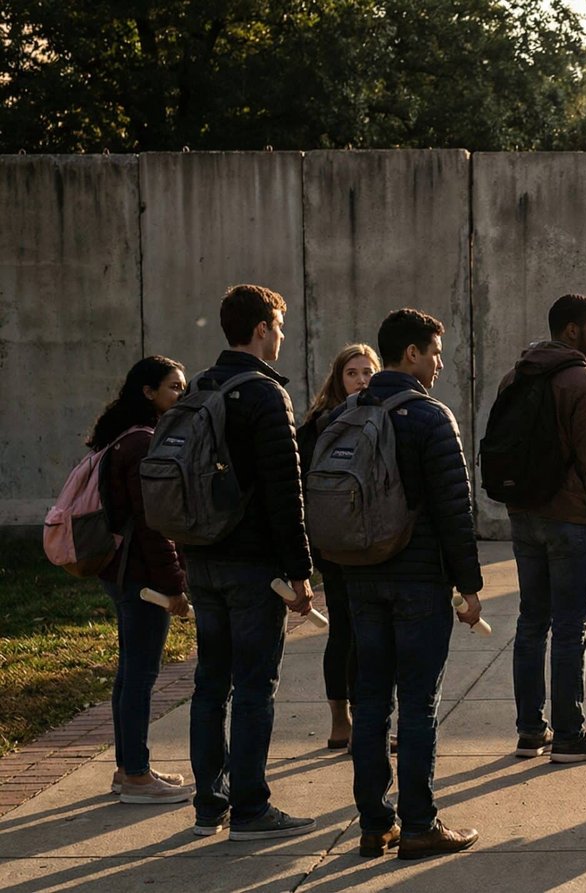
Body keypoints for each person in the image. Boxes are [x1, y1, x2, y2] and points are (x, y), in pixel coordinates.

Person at [336, 309, 483, 859]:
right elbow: (454, 511)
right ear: (413, 354)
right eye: (436, 352)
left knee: (370, 701)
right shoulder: (430, 417)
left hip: (362, 579)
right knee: (418, 706)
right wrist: (469, 587)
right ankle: (419, 823)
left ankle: (374, 824)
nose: (441, 363)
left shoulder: (349, 412)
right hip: (419, 582)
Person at [182, 284, 317, 841]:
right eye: (279, 327)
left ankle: (209, 805)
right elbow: (286, 492)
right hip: (252, 565)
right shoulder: (265, 394)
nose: (281, 336)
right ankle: (252, 808)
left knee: (210, 682)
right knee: (255, 684)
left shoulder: (200, 386)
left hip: (202, 558)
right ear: (260, 329)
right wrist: (300, 572)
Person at [504, 294, 586, 762]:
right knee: (572, 628)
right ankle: (570, 734)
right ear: (571, 331)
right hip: (569, 518)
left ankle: (531, 730)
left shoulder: (517, 373)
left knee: (532, 622)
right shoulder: (583, 380)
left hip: (523, 514)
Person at [91, 356, 195, 805]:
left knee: (130, 672)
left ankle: (128, 767)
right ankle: (135, 775)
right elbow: (154, 525)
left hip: (121, 570)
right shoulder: (142, 445)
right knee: (140, 674)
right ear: (148, 392)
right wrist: (174, 587)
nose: (182, 395)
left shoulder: (120, 440)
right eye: (174, 387)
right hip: (141, 575)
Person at [298, 343, 379, 751]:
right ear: (338, 378)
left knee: (363, 630)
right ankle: (341, 722)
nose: (362, 380)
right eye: (353, 373)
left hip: (369, 539)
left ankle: (364, 720)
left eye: (368, 372)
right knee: (346, 630)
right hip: (334, 540)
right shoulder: (317, 425)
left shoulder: (382, 415)